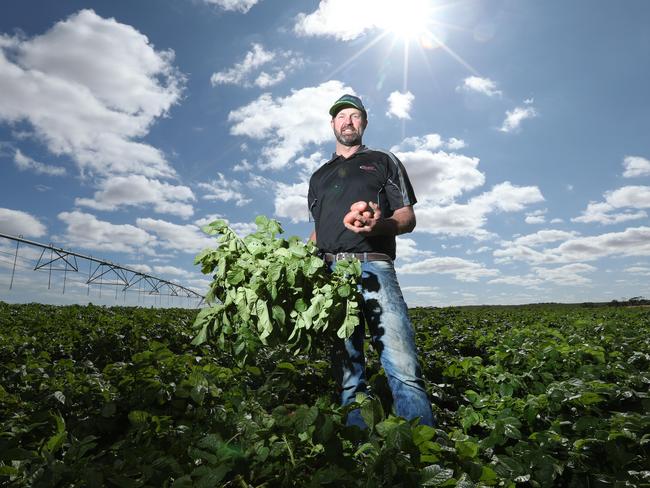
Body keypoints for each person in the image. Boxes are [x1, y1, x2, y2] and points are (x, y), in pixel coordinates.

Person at [308, 94, 434, 428]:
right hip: (331, 276)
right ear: (332, 124)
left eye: (354, 116)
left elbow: (407, 217)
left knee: (402, 364)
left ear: (364, 122)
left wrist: (379, 225)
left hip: (373, 266)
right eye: (340, 116)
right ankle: (359, 453)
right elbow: (317, 234)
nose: (347, 122)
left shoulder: (383, 161)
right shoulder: (318, 177)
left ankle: (421, 452)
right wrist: (300, 263)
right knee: (347, 370)